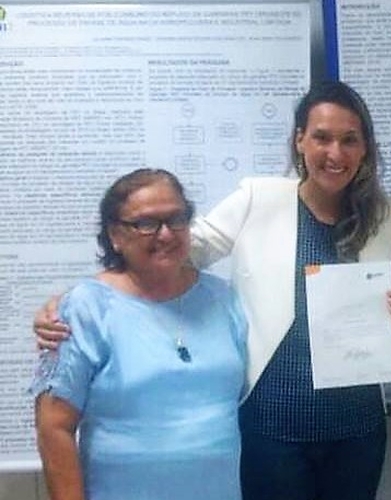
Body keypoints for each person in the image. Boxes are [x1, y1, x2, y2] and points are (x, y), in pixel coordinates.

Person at [35, 81, 391, 500]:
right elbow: (170, 249)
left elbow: (371, 304)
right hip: (272, 426)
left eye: (349, 140)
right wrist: (75, 301)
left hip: (357, 423)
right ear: (300, 140)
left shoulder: (386, 216)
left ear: (365, 149)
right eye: (321, 137)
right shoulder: (260, 198)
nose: (334, 153)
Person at [32, 168, 247, 500]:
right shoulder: (86, 309)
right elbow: (54, 427)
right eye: (146, 224)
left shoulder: (223, 298)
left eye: (176, 219)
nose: (165, 234)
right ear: (116, 235)